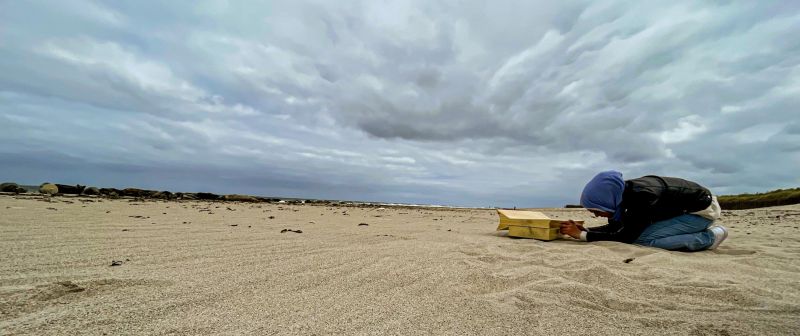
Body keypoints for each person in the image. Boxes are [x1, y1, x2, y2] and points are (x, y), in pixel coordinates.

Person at [560, 171, 727, 251]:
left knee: (643, 239)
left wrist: (583, 236)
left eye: (597, 210)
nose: (596, 215)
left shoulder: (642, 198)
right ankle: (696, 232)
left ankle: (709, 237)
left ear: (607, 200)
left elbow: (627, 236)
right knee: (642, 233)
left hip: (701, 212)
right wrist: (587, 230)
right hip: (687, 209)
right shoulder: (623, 194)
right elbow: (619, 226)